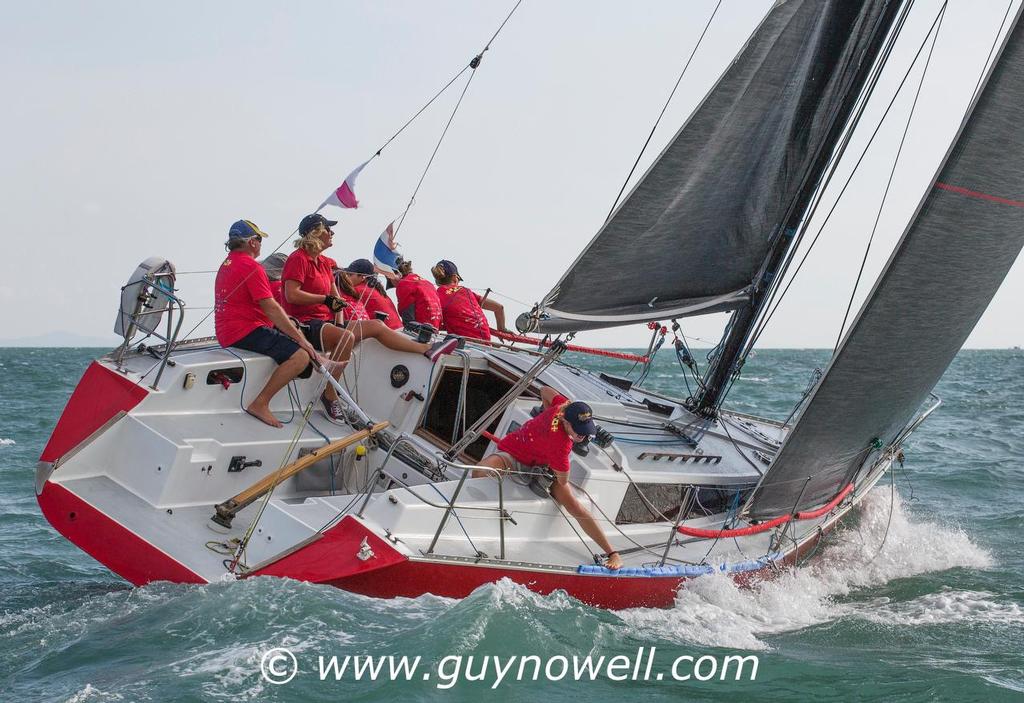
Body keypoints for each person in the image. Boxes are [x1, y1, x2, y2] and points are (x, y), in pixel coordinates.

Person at [473, 387, 623, 570]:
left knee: (573, 505)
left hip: (543, 464)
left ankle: (612, 553)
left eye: (585, 431)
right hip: (515, 455)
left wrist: (544, 411)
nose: (582, 436)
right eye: (579, 431)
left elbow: (544, 391)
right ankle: (477, 519)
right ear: (565, 421)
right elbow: (562, 480)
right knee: (481, 471)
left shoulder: (561, 406)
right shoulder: (562, 444)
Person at [214, 219, 323, 429]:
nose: (260, 244)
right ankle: (260, 403)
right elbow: (271, 308)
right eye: (259, 240)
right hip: (243, 330)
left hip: (227, 330)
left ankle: (320, 360)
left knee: (292, 332)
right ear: (252, 242)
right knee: (300, 356)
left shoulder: (228, 262)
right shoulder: (250, 266)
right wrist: (303, 342)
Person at [281, 213, 356, 420]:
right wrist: (323, 300)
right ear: (315, 232)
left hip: (324, 320)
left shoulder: (323, 262)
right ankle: (330, 395)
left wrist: (339, 323)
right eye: (328, 229)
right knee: (346, 338)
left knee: (374, 326)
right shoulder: (298, 259)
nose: (332, 233)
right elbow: (292, 295)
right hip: (303, 323)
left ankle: (426, 349)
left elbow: (336, 298)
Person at [334, 261, 459, 360]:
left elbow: (408, 317)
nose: (346, 278)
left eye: (349, 275)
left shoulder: (403, 284)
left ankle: (426, 348)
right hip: (428, 332)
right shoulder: (425, 283)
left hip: (397, 335)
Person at [430, 260, 506, 341]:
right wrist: (501, 329)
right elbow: (499, 308)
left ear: (437, 281)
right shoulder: (467, 292)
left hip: (459, 343)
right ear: (455, 278)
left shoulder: (436, 296)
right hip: (484, 341)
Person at [345, 259, 403, 329]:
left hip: (387, 334)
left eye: (350, 274)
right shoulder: (378, 290)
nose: (346, 277)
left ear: (363, 277)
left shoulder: (359, 290)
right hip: (399, 331)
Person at [394, 257, 442, 329]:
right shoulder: (428, 283)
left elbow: (409, 321)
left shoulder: (404, 283)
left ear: (396, 274)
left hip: (421, 333)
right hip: (435, 331)